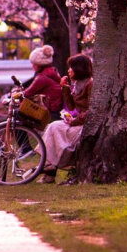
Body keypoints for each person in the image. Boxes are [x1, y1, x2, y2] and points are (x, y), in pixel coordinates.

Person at [38, 53, 93, 182]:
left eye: (71, 67)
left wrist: (74, 121)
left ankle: (49, 169)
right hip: (78, 121)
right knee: (52, 126)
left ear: (79, 69)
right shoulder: (78, 84)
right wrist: (65, 88)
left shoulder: (90, 84)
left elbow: (92, 111)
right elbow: (71, 106)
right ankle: (48, 166)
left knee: (56, 129)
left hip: (85, 124)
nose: (69, 70)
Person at [15, 44, 64, 159]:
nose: (32, 66)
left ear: (39, 65)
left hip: (50, 114)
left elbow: (27, 93)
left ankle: (25, 148)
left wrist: (13, 95)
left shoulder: (41, 78)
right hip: (55, 110)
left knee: (17, 115)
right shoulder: (52, 72)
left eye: (33, 64)